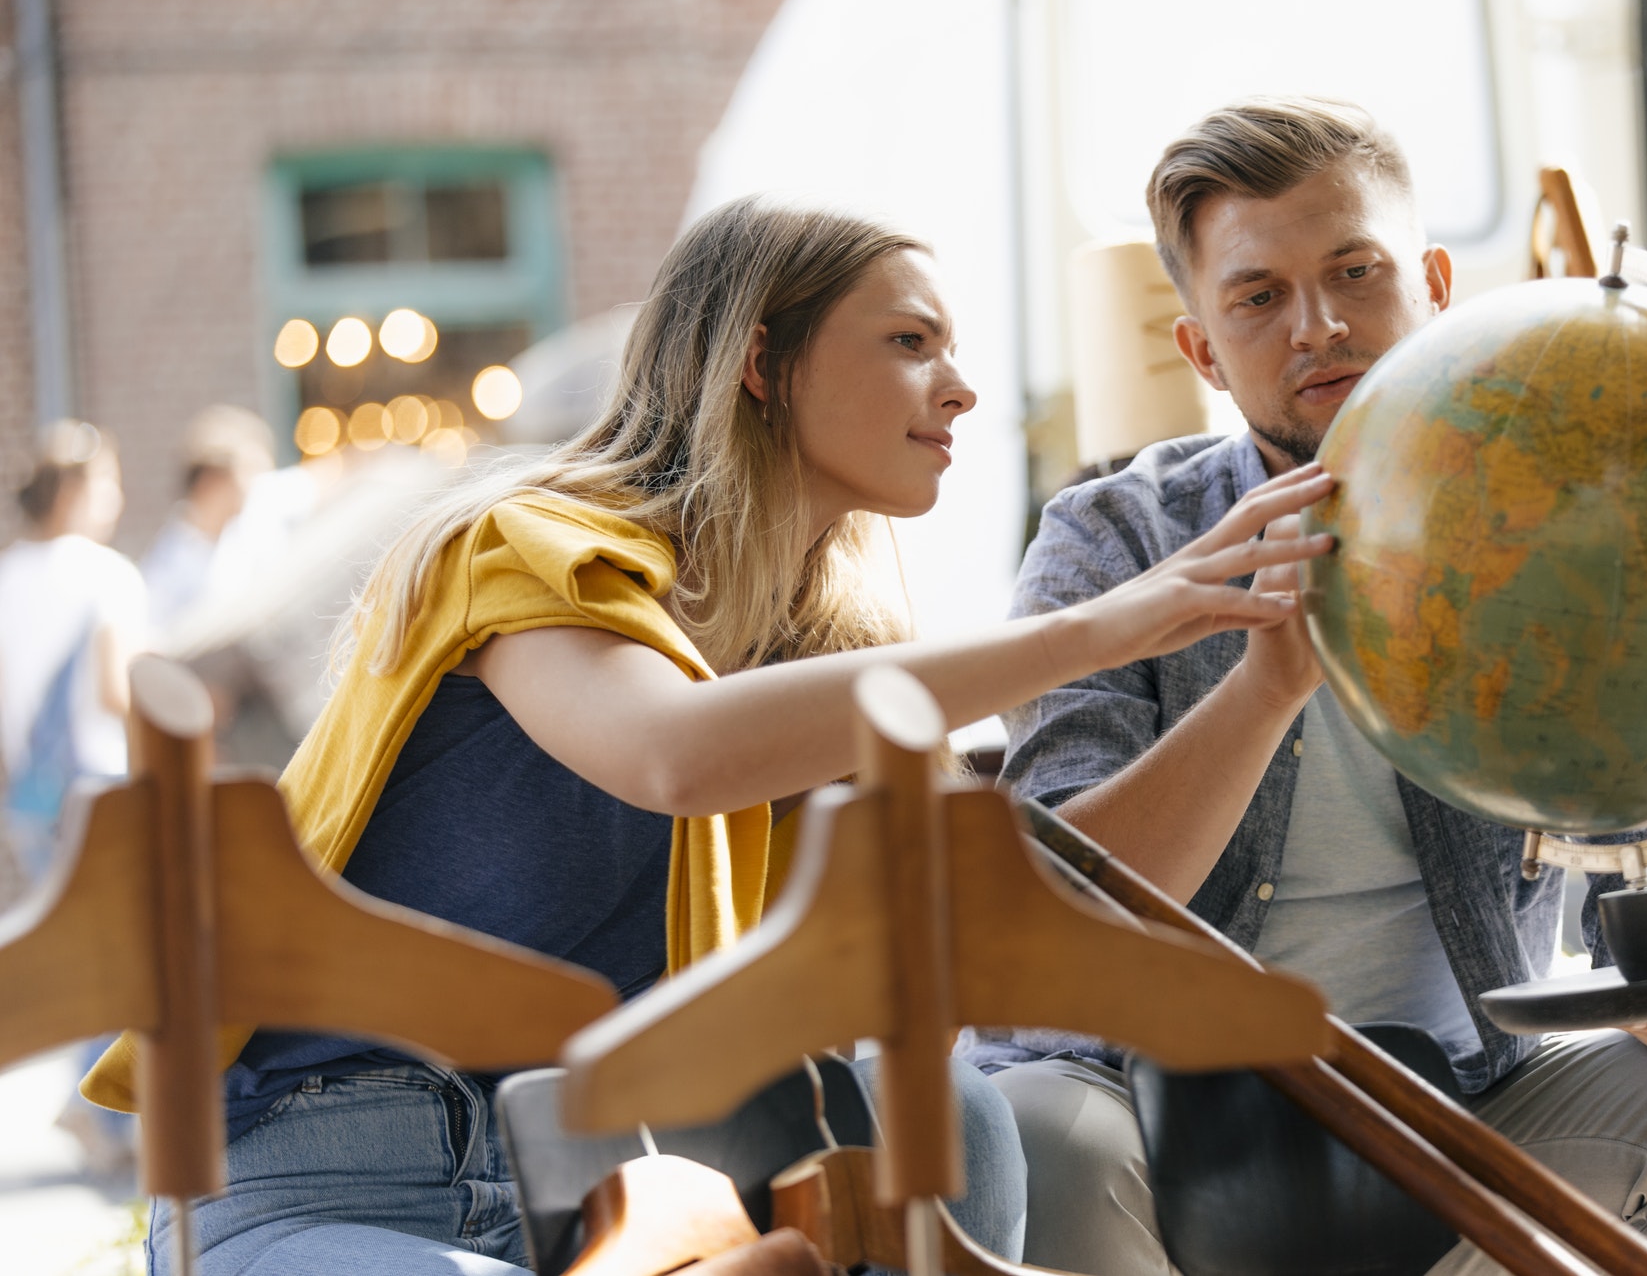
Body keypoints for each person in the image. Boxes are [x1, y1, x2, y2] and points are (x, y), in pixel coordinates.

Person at [81, 196, 1336, 1275]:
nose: (957, 386)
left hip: (612, 1191)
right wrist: (1104, 629)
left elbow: (1026, 930)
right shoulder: (517, 549)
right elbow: (674, 754)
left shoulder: (823, 670)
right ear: (757, 360)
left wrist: (1265, 686)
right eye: (908, 343)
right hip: (333, 1175)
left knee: (956, 1114)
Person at [983, 97, 1647, 1276]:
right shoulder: (1112, 538)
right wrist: (1265, 684)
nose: (1318, 325)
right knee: (1036, 1141)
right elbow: (1059, 921)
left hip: (1471, 1096)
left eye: (1355, 271)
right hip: (1148, 1096)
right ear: (1201, 350)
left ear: (1431, 283)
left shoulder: (1550, 511)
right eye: (1256, 297)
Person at [0, 420, 147, 889]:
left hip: (30, 795)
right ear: (71, 491)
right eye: (109, 483)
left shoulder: (7, 575)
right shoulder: (105, 574)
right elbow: (117, 693)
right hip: (101, 789)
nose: (117, 499)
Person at [141, 404, 275, 631]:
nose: (253, 486)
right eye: (246, 473)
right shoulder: (169, 564)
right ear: (212, 482)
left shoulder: (253, 529)